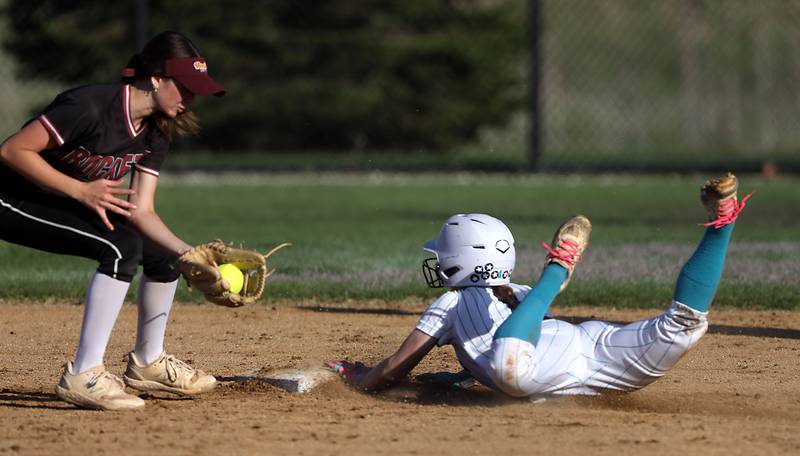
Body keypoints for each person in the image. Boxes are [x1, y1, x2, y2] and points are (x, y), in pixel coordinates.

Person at [327, 173, 751, 397]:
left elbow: (396, 368)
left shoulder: (452, 302)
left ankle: (559, 268)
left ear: (463, 263)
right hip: (590, 351)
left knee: (509, 366)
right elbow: (533, 340)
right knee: (685, 324)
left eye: (443, 257)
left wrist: (361, 378)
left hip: (530, 366)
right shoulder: (517, 293)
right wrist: (461, 377)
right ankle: (724, 221)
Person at [0, 31, 227, 410]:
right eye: (185, 88)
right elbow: (12, 150)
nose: (190, 100)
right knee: (120, 248)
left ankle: (149, 362)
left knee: (158, 255)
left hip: (60, 198)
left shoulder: (156, 131)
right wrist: (80, 190)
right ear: (156, 78)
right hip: (10, 197)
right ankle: (83, 373)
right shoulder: (89, 106)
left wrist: (190, 254)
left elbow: (142, 211)